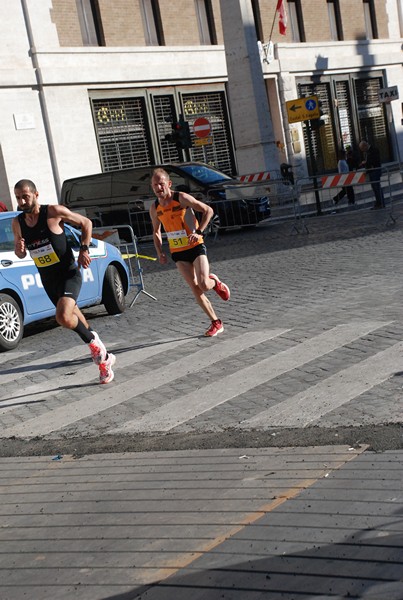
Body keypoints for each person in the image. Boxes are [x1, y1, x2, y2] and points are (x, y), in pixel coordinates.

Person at [12, 179, 115, 384]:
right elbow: (20, 251)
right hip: (48, 279)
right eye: (18, 197)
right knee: (77, 319)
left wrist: (84, 250)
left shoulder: (53, 212)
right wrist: (20, 250)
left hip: (68, 273)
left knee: (63, 316)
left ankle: (94, 343)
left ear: (36, 194)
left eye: (25, 196)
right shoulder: (18, 222)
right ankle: (104, 361)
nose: (22, 201)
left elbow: (86, 223)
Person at [150, 168, 230, 337]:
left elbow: (208, 211)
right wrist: (159, 252)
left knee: (204, 284)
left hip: (195, 247)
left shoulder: (181, 198)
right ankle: (216, 322)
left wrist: (199, 232)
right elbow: (156, 231)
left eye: (161, 184)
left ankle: (214, 282)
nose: (158, 187)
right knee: (195, 289)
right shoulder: (155, 207)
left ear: (169, 184)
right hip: (178, 252)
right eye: (155, 185)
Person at [359, 140, 385, 209]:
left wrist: (365, 163)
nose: (362, 151)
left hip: (375, 171)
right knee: (375, 188)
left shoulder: (373, 150)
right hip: (371, 171)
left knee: (377, 187)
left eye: (362, 149)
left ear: (365, 146)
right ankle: (378, 203)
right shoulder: (367, 152)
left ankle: (381, 203)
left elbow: (374, 161)